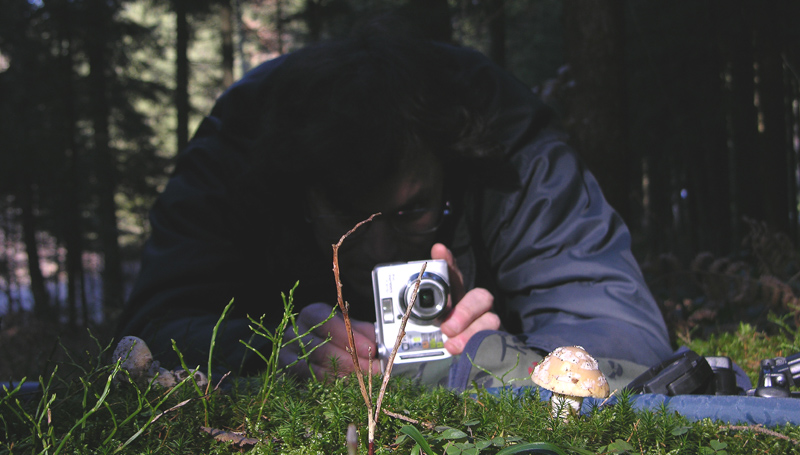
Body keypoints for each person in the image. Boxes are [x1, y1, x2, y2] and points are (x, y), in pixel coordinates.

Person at [116, 21, 673, 385]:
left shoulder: (512, 151)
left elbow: (623, 330)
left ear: (451, 168)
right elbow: (148, 330)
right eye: (348, 218)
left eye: (411, 212)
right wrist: (269, 348)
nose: (378, 251)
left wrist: (490, 360)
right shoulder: (237, 150)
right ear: (299, 192)